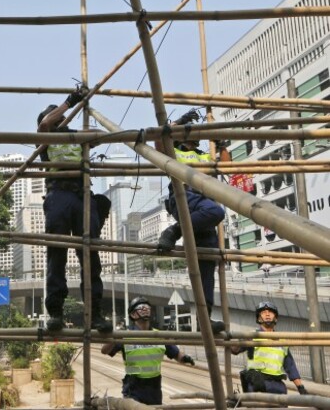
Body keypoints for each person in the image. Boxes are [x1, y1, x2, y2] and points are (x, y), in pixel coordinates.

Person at [37, 85, 112, 333]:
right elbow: (47, 124)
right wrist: (70, 102)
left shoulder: (78, 138)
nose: (59, 120)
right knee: (57, 255)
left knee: (90, 255)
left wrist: (89, 116)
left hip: (82, 196)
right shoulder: (46, 138)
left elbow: (100, 136)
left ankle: (95, 312)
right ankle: (56, 312)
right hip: (58, 194)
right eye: (56, 116)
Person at [155, 108, 230, 334]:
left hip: (203, 205)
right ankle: (176, 229)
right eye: (191, 130)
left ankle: (204, 319)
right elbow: (159, 143)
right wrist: (178, 123)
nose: (196, 134)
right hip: (185, 196)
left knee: (207, 266)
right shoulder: (174, 151)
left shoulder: (205, 155)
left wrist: (222, 143)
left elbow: (227, 167)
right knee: (217, 213)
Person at [101, 297, 195, 405]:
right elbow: (105, 351)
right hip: (133, 387)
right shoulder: (126, 335)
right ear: (133, 315)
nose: (145, 309)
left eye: (147, 307)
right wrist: (115, 336)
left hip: (154, 388)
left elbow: (176, 354)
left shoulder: (159, 335)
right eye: (141, 308)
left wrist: (185, 358)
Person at [232, 301, 308, 395]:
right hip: (257, 384)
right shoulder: (252, 336)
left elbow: (291, 367)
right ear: (259, 318)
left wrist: (301, 388)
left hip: (278, 386)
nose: (267, 314)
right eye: (263, 312)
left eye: (270, 312)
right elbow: (233, 349)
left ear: (275, 317)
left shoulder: (282, 341)